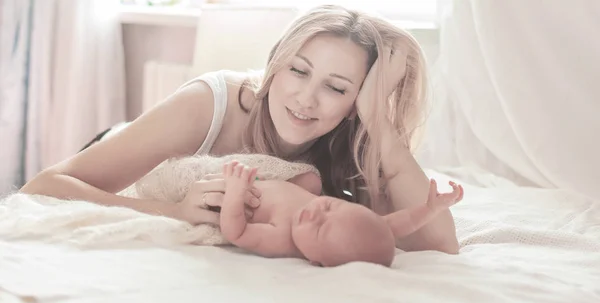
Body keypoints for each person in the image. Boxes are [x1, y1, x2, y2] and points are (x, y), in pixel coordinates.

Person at [20, 4, 460, 254]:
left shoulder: (350, 137)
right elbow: (44, 186)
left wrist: (379, 124)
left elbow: (438, 244)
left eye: (336, 87)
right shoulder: (207, 106)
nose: (306, 99)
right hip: (139, 155)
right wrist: (169, 213)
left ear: (355, 104)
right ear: (276, 63)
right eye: (298, 71)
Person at [220, 161, 464, 267]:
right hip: (270, 179)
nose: (313, 212)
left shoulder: (282, 238)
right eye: (329, 206)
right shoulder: (348, 224)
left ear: (318, 261)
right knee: (311, 180)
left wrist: (234, 191)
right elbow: (393, 225)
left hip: (236, 188)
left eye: (318, 229)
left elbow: (237, 232)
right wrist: (430, 209)